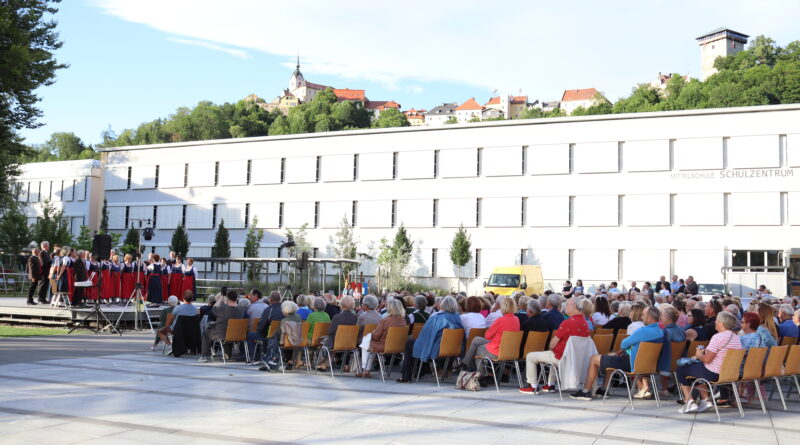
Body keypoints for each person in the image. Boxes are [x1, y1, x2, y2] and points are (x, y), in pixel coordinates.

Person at [571, 306, 664, 400]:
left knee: (594, 359)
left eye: (643, 315)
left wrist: (628, 347)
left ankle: (586, 391)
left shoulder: (643, 331)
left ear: (649, 317)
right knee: (610, 358)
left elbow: (623, 344)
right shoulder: (661, 332)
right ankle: (604, 389)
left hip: (632, 364)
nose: (642, 317)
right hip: (649, 366)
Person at [676, 311, 742, 414]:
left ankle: (689, 401)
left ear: (721, 324)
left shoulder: (718, 337)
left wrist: (699, 355)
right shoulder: (736, 338)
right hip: (728, 373)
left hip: (713, 373)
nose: (715, 322)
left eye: (717, 320)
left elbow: (707, 360)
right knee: (694, 368)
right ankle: (705, 399)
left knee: (681, 369)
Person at [519, 298, 589, 394]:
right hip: (577, 358)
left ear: (574, 306)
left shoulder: (568, 323)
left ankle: (532, 386)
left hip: (562, 357)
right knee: (554, 354)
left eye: (567, 305)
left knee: (531, 356)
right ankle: (550, 384)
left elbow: (552, 344)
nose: (565, 308)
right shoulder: (585, 323)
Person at [397, 296, 463, 383]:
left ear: (442, 305)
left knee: (410, 343)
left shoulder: (436, 318)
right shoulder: (458, 317)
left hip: (437, 348)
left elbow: (426, 335)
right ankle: (420, 371)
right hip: (453, 348)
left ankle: (406, 376)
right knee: (417, 343)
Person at [462, 298, 520, 376]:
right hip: (509, 349)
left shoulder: (500, 320)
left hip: (498, 349)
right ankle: (465, 364)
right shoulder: (516, 319)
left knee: (478, 350)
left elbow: (487, 336)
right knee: (476, 340)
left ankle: (481, 376)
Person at [356, 299, 407, 378]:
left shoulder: (385, 320)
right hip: (398, 346)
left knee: (366, 342)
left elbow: (376, 336)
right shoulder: (403, 321)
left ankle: (365, 370)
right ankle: (366, 370)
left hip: (384, 346)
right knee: (368, 343)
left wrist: (372, 333)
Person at [198, 290, 244, 362]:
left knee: (207, 332)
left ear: (227, 298)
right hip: (236, 335)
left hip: (222, 334)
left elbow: (213, 310)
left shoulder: (223, 308)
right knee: (227, 330)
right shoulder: (241, 310)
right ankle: (227, 354)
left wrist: (221, 299)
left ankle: (205, 355)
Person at [251, 291, 284, 365]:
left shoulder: (268, 310)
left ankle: (254, 358)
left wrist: (258, 330)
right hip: (283, 335)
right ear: (280, 299)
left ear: (270, 299)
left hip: (269, 336)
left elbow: (261, 325)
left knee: (250, 335)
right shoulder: (285, 309)